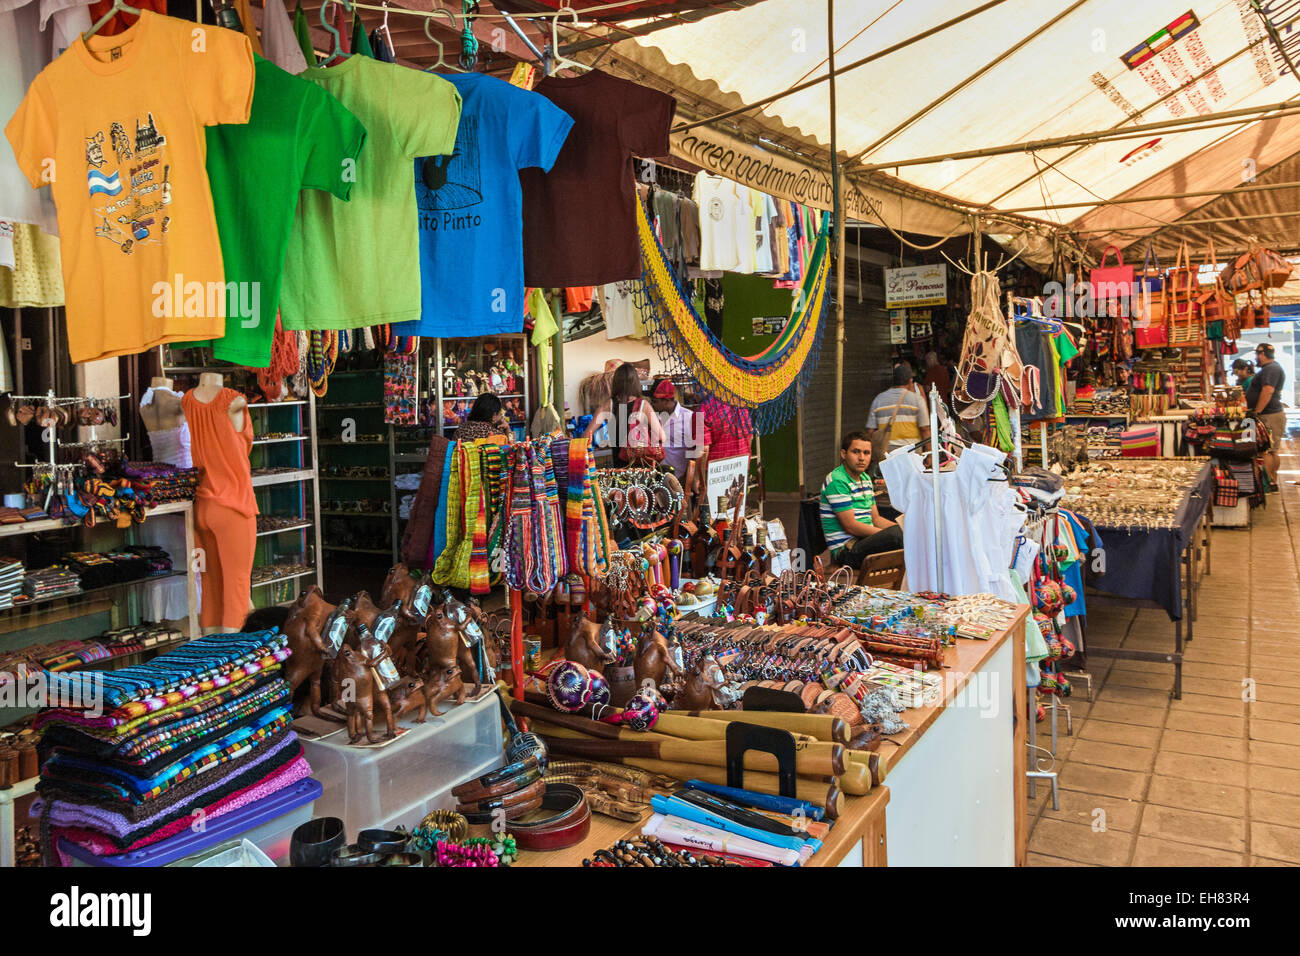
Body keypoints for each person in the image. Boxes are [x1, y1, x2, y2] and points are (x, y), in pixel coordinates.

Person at [820, 431, 903, 569]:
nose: (861, 458)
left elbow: (876, 519)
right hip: (847, 550)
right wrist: (889, 535)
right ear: (843, 454)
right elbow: (850, 526)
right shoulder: (837, 480)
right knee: (897, 537)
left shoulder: (865, 479)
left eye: (866, 453)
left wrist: (902, 530)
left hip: (865, 542)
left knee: (905, 530)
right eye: (856, 452)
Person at [583, 361, 666, 467]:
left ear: (616, 382)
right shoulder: (643, 405)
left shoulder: (608, 405)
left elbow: (586, 435)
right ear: (636, 382)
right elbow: (661, 437)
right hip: (641, 467)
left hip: (618, 465)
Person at [649, 377, 706, 491]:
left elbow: (698, 452)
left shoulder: (690, 417)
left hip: (681, 480)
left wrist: (688, 478)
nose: (651, 405)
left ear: (666, 401)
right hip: (657, 480)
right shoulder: (652, 417)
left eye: (654, 401)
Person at [1248, 343, 1287, 488]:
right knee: (1272, 449)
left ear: (1262, 354)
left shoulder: (1271, 369)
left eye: (1257, 354)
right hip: (1271, 413)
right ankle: (1272, 481)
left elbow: (1268, 391)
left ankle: (1269, 481)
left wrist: (1257, 411)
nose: (1256, 358)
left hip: (1269, 414)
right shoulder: (1271, 368)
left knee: (1267, 450)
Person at [866, 364, 930, 451]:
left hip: (886, 453)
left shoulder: (878, 399)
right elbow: (925, 429)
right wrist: (930, 455)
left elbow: (870, 431)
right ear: (910, 381)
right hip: (912, 453)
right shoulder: (917, 400)